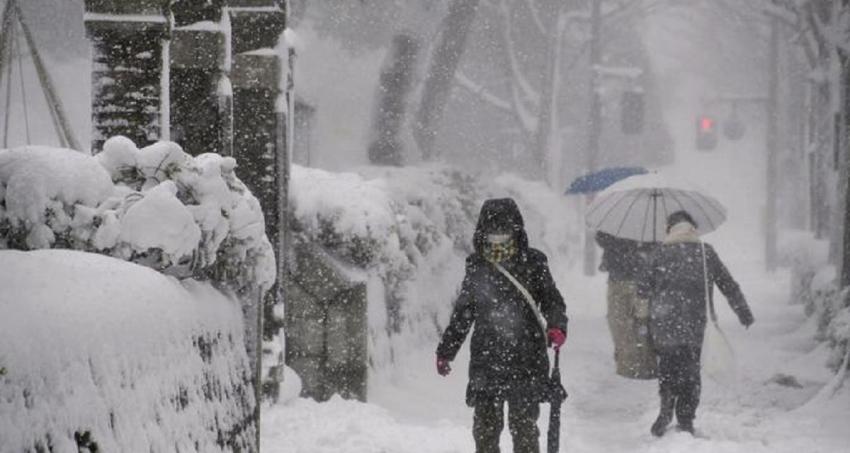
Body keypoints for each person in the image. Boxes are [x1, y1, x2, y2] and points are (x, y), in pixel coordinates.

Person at [435, 198, 568, 453]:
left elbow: (552, 301)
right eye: (493, 227)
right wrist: (446, 351)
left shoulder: (534, 262)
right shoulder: (476, 265)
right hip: (488, 361)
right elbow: (464, 313)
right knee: (485, 432)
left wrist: (557, 326)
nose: (498, 233)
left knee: (525, 430)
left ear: (516, 228)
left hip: (525, 359)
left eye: (503, 227)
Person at [637, 210, 755, 436]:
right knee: (691, 372)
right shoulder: (705, 252)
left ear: (669, 229)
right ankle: (685, 418)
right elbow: (728, 284)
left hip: (663, 323)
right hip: (695, 324)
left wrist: (643, 318)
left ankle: (666, 407)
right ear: (693, 228)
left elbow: (642, 289)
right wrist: (744, 312)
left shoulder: (659, 253)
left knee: (668, 368)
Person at [595, 231, 658, 379]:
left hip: (633, 278)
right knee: (635, 322)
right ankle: (637, 364)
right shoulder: (644, 220)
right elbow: (601, 238)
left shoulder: (620, 219)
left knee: (633, 322)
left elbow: (601, 238)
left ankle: (636, 364)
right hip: (632, 277)